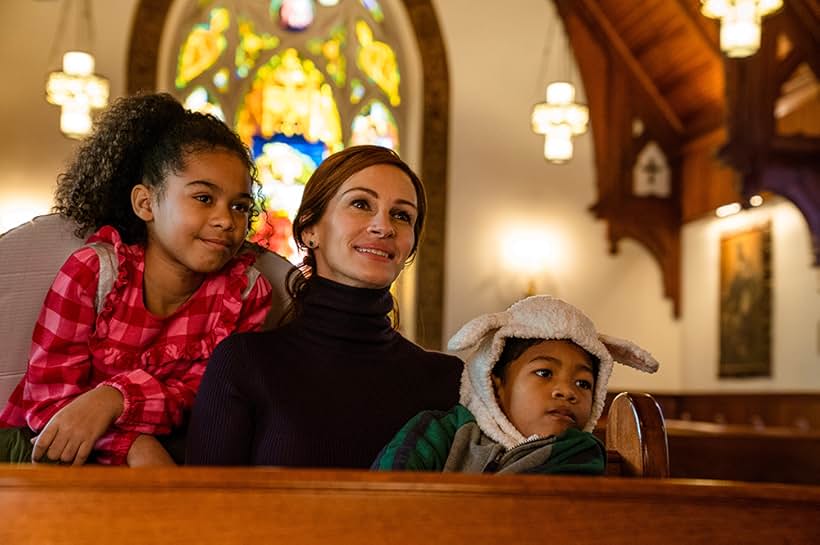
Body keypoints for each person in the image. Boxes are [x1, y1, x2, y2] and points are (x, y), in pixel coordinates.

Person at [0, 93, 274, 466]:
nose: (226, 219)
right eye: (204, 198)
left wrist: (114, 399)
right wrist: (132, 446)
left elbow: (200, 398)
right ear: (146, 204)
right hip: (45, 451)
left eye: (239, 206)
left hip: (171, 457)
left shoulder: (245, 293)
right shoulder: (93, 274)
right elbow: (49, 407)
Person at [186, 145, 463, 467]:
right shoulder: (245, 363)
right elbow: (203, 508)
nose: (383, 227)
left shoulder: (446, 380)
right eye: (361, 204)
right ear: (309, 228)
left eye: (402, 215)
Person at [373, 295, 660, 474]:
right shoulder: (439, 431)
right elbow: (390, 492)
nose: (567, 391)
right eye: (545, 373)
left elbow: (519, 512)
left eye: (583, 383)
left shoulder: (579, 453)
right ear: (495, 383)